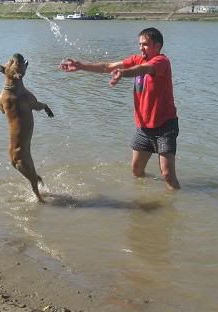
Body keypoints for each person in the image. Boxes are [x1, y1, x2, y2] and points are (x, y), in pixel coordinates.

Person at [61, 27, 180, 190]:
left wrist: (122, 73)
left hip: (165, 126)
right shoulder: (137, 59)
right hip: (144, 127)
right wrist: (81, 66)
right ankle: (150, 198)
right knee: (136, 170)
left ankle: (173, 205)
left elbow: (144, 70)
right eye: (140, 44)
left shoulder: (161, 61)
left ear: (157, 46)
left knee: (167, 175)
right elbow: (107, 66)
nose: (141, 48)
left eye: (145, 44)